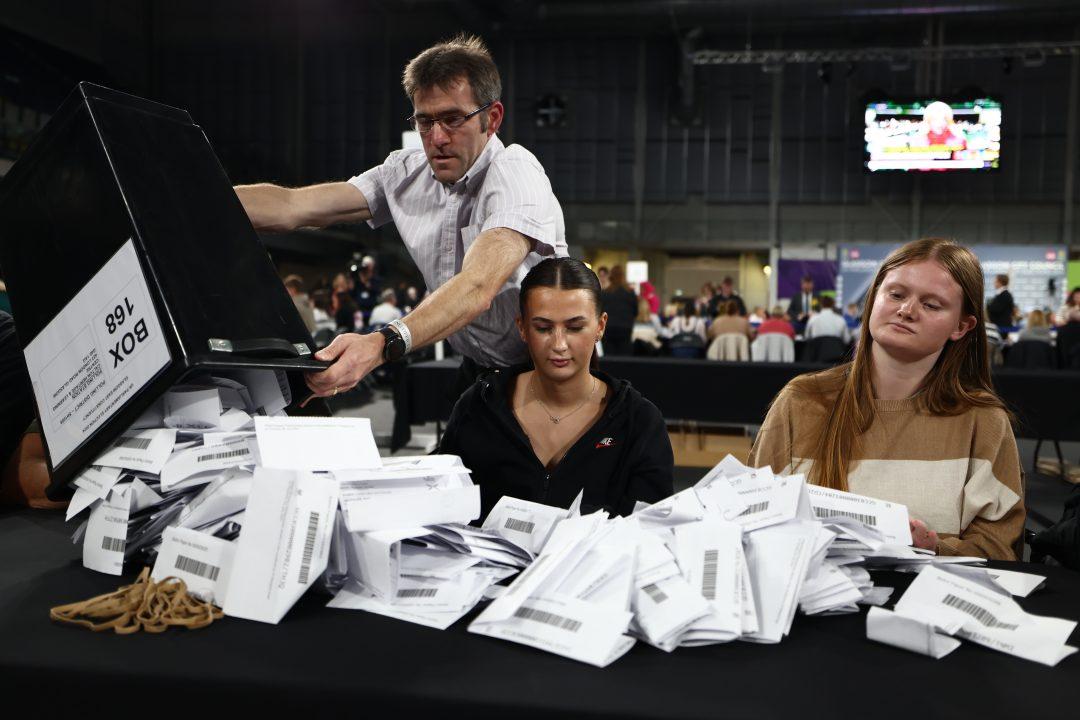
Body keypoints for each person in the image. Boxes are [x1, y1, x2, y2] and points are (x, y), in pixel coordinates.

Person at [235, 34, 566, 400]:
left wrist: (383, 343)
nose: (437, 137)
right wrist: (190, 195)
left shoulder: (515, 172)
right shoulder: (405, 171)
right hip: (478, 373)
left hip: (546, 378)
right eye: (424, 122)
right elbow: (293, 206)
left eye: (453, 119)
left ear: (492, 117)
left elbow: (477, 286)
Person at [749, 238, 1024, 560]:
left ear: (962, 326)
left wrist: (933, 549)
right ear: (874, 299)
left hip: (928, 604)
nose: (906, 310)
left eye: (931, 304)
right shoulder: (801, 401)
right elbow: (753, 515)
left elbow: (1001, 547)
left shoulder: (984, 421)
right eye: (896, 294)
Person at [437, 258, 673, 518]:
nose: (559, 344)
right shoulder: (481, 405)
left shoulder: (639, 422)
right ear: (522, 328)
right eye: (543, 328)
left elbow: (651, 530)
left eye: (574, 327)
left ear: (600, 326)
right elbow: (442, 505)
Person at [600, 265, 638, 356]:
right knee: (624, 359)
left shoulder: (604, 293)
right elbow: (635, 312)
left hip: (608, 329)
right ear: (623, 276)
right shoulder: (630, 293)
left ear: (610, 277)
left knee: (609, 358)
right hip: (625, 329)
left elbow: (600, 312)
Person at [352, 256, 382, 325]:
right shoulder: (357, 279)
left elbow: (377, 291)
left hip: (372, 309)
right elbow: (353, 293)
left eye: (369, 265)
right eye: (366, 265)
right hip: (359, 310)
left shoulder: (375, 279)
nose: (367, 268)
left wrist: (367, 284)